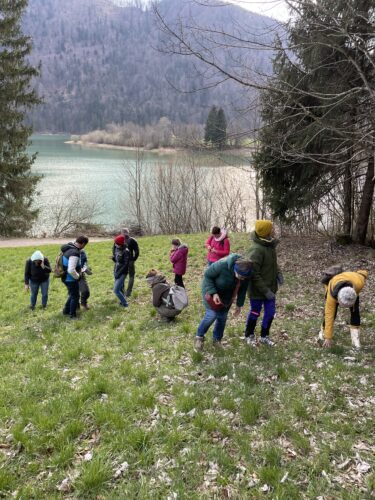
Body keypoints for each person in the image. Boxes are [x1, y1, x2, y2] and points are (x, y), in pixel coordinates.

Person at [194, 254, 253, 351]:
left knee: (222, 317)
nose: (241, 279)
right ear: (235, 268)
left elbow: (242, 289)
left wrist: (239, 305)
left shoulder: (247, 272)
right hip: (212, 293)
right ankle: (199, 338)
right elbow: (207, 276)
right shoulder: (222, 265)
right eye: (240, 276)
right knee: (211, 316)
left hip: (226, 298)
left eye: (244, 278)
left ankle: (217, 340)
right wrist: (214, 293)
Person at [244, 220, 282, 347]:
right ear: (266, 232)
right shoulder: (256, 250)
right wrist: (265, 291)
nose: (273, 230)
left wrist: (278, 272)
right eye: (271, 229)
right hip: (257, 290)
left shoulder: (269, 246)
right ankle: (249, 334)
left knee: (270, 313)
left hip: (271, 288)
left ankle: (264, 336)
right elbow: (253, 274)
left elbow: (272, 264)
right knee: (255, 312)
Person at [318, 267, 368, 349]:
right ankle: (323, 332)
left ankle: (355, 340)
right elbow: (329, 316)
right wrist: (328, 337)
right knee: (331, 314)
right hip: (334, 288)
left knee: (355, 312)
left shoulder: (359, 283)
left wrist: (364, 272)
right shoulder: (331, 297)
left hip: (351, 287)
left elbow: (362, 274)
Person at [61, 235, 89, 319]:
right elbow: (71, 270)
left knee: (72, 294)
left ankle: (66, 310)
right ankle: (72, 315)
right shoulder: (75, 253)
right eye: (85, 245)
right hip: (70, 278)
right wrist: (78, 277)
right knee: (75, 296)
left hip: (65, 277)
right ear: (83, 243)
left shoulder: (69, 247)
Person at [112, 235, 130, 308]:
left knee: (116, 290)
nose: (115, 244)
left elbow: (126, 265)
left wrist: (119, 273)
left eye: (116, 243)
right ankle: (122, 301)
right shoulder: (117, 249)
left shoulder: (126, 251)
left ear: (120, 244)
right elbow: (118, 261)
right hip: (116, 270)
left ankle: (125, 304)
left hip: (122, 273)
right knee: (120, 288)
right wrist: (113, 258)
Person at [122, 227, 139, 297]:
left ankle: (122, 291)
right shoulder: (133, 240)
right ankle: (128, 293)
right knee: (131, 276)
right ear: (128, 232)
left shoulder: (119, 240)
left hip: (122, 262)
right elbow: (137, 252)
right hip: (130, 261)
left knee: (122, 276)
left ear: (122, 233)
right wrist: (133, 259)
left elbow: (115, 251)